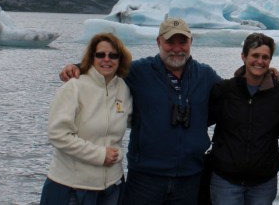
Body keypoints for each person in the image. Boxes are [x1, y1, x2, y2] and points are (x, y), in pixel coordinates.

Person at [59, 17, 222, 205]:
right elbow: (107, 68)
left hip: (190, 178)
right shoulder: (139, 71)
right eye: (170, 42)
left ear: (191, 42)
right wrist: (77, 67)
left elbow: (232, 94)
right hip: (145, 178)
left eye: (182, 42)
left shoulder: (205, 75)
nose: (177, 48)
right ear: (159, 42)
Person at [41, 32, 133, 205]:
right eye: (100, 54)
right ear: (91, 57)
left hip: (112, 188)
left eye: (113, 55)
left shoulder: (123, 89)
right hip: (73, 188)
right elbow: (58, 135)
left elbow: (132, 123)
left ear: (121, 59)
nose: (107, 59)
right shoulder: (74, 87)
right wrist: (99, 154)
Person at [208, 33, 279, 205]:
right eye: (255, 55)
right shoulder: (225, 90)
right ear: (244, 56)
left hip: (263, 182)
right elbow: (204, 120)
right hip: (225, 180)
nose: (259, 61)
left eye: (265, 57)